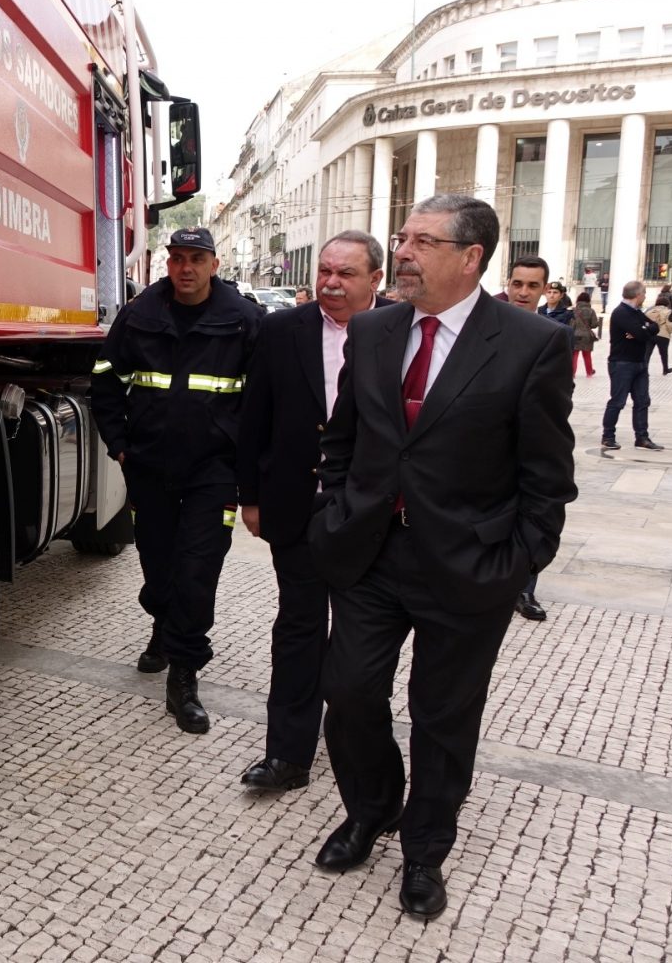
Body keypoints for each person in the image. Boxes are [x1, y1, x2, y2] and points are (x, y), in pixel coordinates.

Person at [306, 194, 576, 918]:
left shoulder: (530, 343)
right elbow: (343, 438)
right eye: (403, 238)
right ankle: (371, 808)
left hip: (468, 565)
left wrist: (520, 563)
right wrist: (335, 507)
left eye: (422, 241)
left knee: (443, 716)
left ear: (470, 257)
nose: (402, 253)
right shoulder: (374, 330)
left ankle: (425, 851)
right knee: (352, 692)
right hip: (370, 553)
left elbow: (547, 476)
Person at [237, 230, 391, 793]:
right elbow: (254, 417)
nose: (329, 283)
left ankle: (354, 744)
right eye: (325, 271)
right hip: (295, 506)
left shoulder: (399, 332)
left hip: (368, 514)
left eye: (345, 274)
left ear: (376, 279)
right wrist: (249, 496)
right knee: (299, 627)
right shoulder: (281, 330)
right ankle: (287, 755)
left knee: (359, 640)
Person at [90, 226, 259, 735]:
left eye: (196, 259)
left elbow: (262, 398)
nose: (185, 268)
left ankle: (184, 674)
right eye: (177, 258)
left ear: (214, 263)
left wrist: (246, 466)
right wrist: (118, 443)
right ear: (168, 263)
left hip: (214, 470)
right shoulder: (139, 315)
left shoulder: (244, 320)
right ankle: (163, 623)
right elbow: (104, 377)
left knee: (197, 568)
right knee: (159, 566)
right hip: (151, 465)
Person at [500, 256, 560, 622]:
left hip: (531, 443)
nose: (523, 292)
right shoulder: (488, 325)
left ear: (544, 290)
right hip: (491, 445)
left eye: (532, 286)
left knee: (531, 514)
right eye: (517, 283)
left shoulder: (553, 334)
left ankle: (525, 588)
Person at [602, 281, 665, 451]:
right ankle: (608, 436)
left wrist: (644, 330)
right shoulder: (621, 312)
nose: (645, 296)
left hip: (639, 363)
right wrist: (642, 331)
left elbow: (654, 327)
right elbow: (641, 333)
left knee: (642, 401)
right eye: (644, 293)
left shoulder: (636, 312)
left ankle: (642, 437)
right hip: (622, 363)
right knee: (618, 401)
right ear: (638, 294)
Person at [645, 288, 672, 376]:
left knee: (647, 353)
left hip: (650, 334)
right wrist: (669, 332)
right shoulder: (668, 311)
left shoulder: (649, 312)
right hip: (663, 334)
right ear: (667, 304)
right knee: (664, 353)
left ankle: (645, 370)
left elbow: (645, 323)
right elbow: (669, 324)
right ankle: (665, 369)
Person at [572, 291, 601, 377]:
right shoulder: (591, 311)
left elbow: (571, 324)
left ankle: (572, 373)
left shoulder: (574, 310)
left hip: (575, 334)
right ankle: (589, 372)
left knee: (574, 355)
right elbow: (594, 324)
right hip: (587, 336)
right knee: (587, 355)